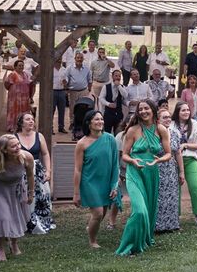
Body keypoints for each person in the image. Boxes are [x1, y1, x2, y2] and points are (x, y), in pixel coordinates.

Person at [116, 100, 171, 256]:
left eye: (146, 108)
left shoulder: (161, 129)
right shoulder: (132, 130)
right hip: (134, 172)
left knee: (149, 210)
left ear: (153, 110)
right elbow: (125, 154)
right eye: (140, 109)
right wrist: (133, 160)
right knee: (140, 211)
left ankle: (144, 239)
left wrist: (160, 160)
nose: (143, 111)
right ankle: (128, 246)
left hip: (152, 173)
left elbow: (168, 153)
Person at [0, 134, 35, 261]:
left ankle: (13, 244)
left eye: (18, 144)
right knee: (3, 218)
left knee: (15, 217)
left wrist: (31, 193)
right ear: (4, 150)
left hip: (16, 189)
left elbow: (30, 175)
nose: (18, 147)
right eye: (13, 146)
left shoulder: (26, 157)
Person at [73, 111, 120, 248]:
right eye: (96, 119)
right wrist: (76, 193)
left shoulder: (110, 139)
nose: (100, 122)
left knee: (102, 212)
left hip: (106, 181)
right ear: (89, 123)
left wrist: (114, 185)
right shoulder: (81, 144)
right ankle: (92, 240)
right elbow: (78, 169)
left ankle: (91, 227)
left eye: (101, 119)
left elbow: (115, 164)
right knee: (98, 213)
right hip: (90, 182)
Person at [15, 112, 54, 233]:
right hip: (20, 170)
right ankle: (24, 222)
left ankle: (41, 220)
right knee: (23, 195)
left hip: (37, 169)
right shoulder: (14, 137)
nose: (31, 121)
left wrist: (48, 170)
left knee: (42, 195)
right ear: (21, 122)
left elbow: (46, 154)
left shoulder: (39, 136)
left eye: (32, 119)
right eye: (28, 119)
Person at [172, 102, 197, 226]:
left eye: (187, 110)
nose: (186, 112)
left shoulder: (195, 124)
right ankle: (175, 215)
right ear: (177, 112)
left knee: (196, 187)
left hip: (190, 159)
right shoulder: (171, 125)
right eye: (183, 110)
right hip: (173, 161)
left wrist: (185, 145)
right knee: (175, 189)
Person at [154, 109, 185, 232]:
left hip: (171, 168)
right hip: (157, 167)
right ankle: (157, 226)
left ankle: (171, 224)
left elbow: (178, 153)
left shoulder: (174, 133)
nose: (168, 119)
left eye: (169, 117)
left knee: (171, 196)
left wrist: (181, 171)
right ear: (158, 120)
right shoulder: (154, 134)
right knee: (159, 197)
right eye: (164, 117)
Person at [64, 52, 92, 130]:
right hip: (73, 92)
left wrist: (89, 90)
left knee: (83, 107)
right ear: (75, 59)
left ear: (83, 59)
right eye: (78, 58)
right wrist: (65, 85)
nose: (79, 59)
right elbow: (65, 78)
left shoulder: (86, 69)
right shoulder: (69, 68)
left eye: (81, 58)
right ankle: (72, 123)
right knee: (72, 108)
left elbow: (90, 80)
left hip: (83, 91)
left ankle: (82, 123)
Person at [4, 60, 33, 133]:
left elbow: (29, 84)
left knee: (23, 112)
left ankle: (22, 126)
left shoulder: (26, 74)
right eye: (19, 65)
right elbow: (6, 84)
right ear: (15, 67)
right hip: (14, 98)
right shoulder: (13, 74)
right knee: (14, 111)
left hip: (24, 98)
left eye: (22, 65)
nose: (21, 67)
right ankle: (12, 126)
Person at [99, 69, 128, 134]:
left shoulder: (122, 87)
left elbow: (125, 96)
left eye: (119, 76)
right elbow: (101, 98)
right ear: (112, 76)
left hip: (118, 114)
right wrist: (108, 104)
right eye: (116, 76)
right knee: (106, 133)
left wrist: (119, 86)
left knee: (118, 133)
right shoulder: (106, 86)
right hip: (108, 114)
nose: (118, 77)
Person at [52, 58, 68, 134]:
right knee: (51, 110)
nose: (58, 62)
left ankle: (61, 127)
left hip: (62, 91)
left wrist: (65, 82)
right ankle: (50, 128)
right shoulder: (51, 69)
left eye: (59, 60)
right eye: (57, 60)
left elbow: (67, 79)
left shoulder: (64, 69)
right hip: (53, 91)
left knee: (62, 110)